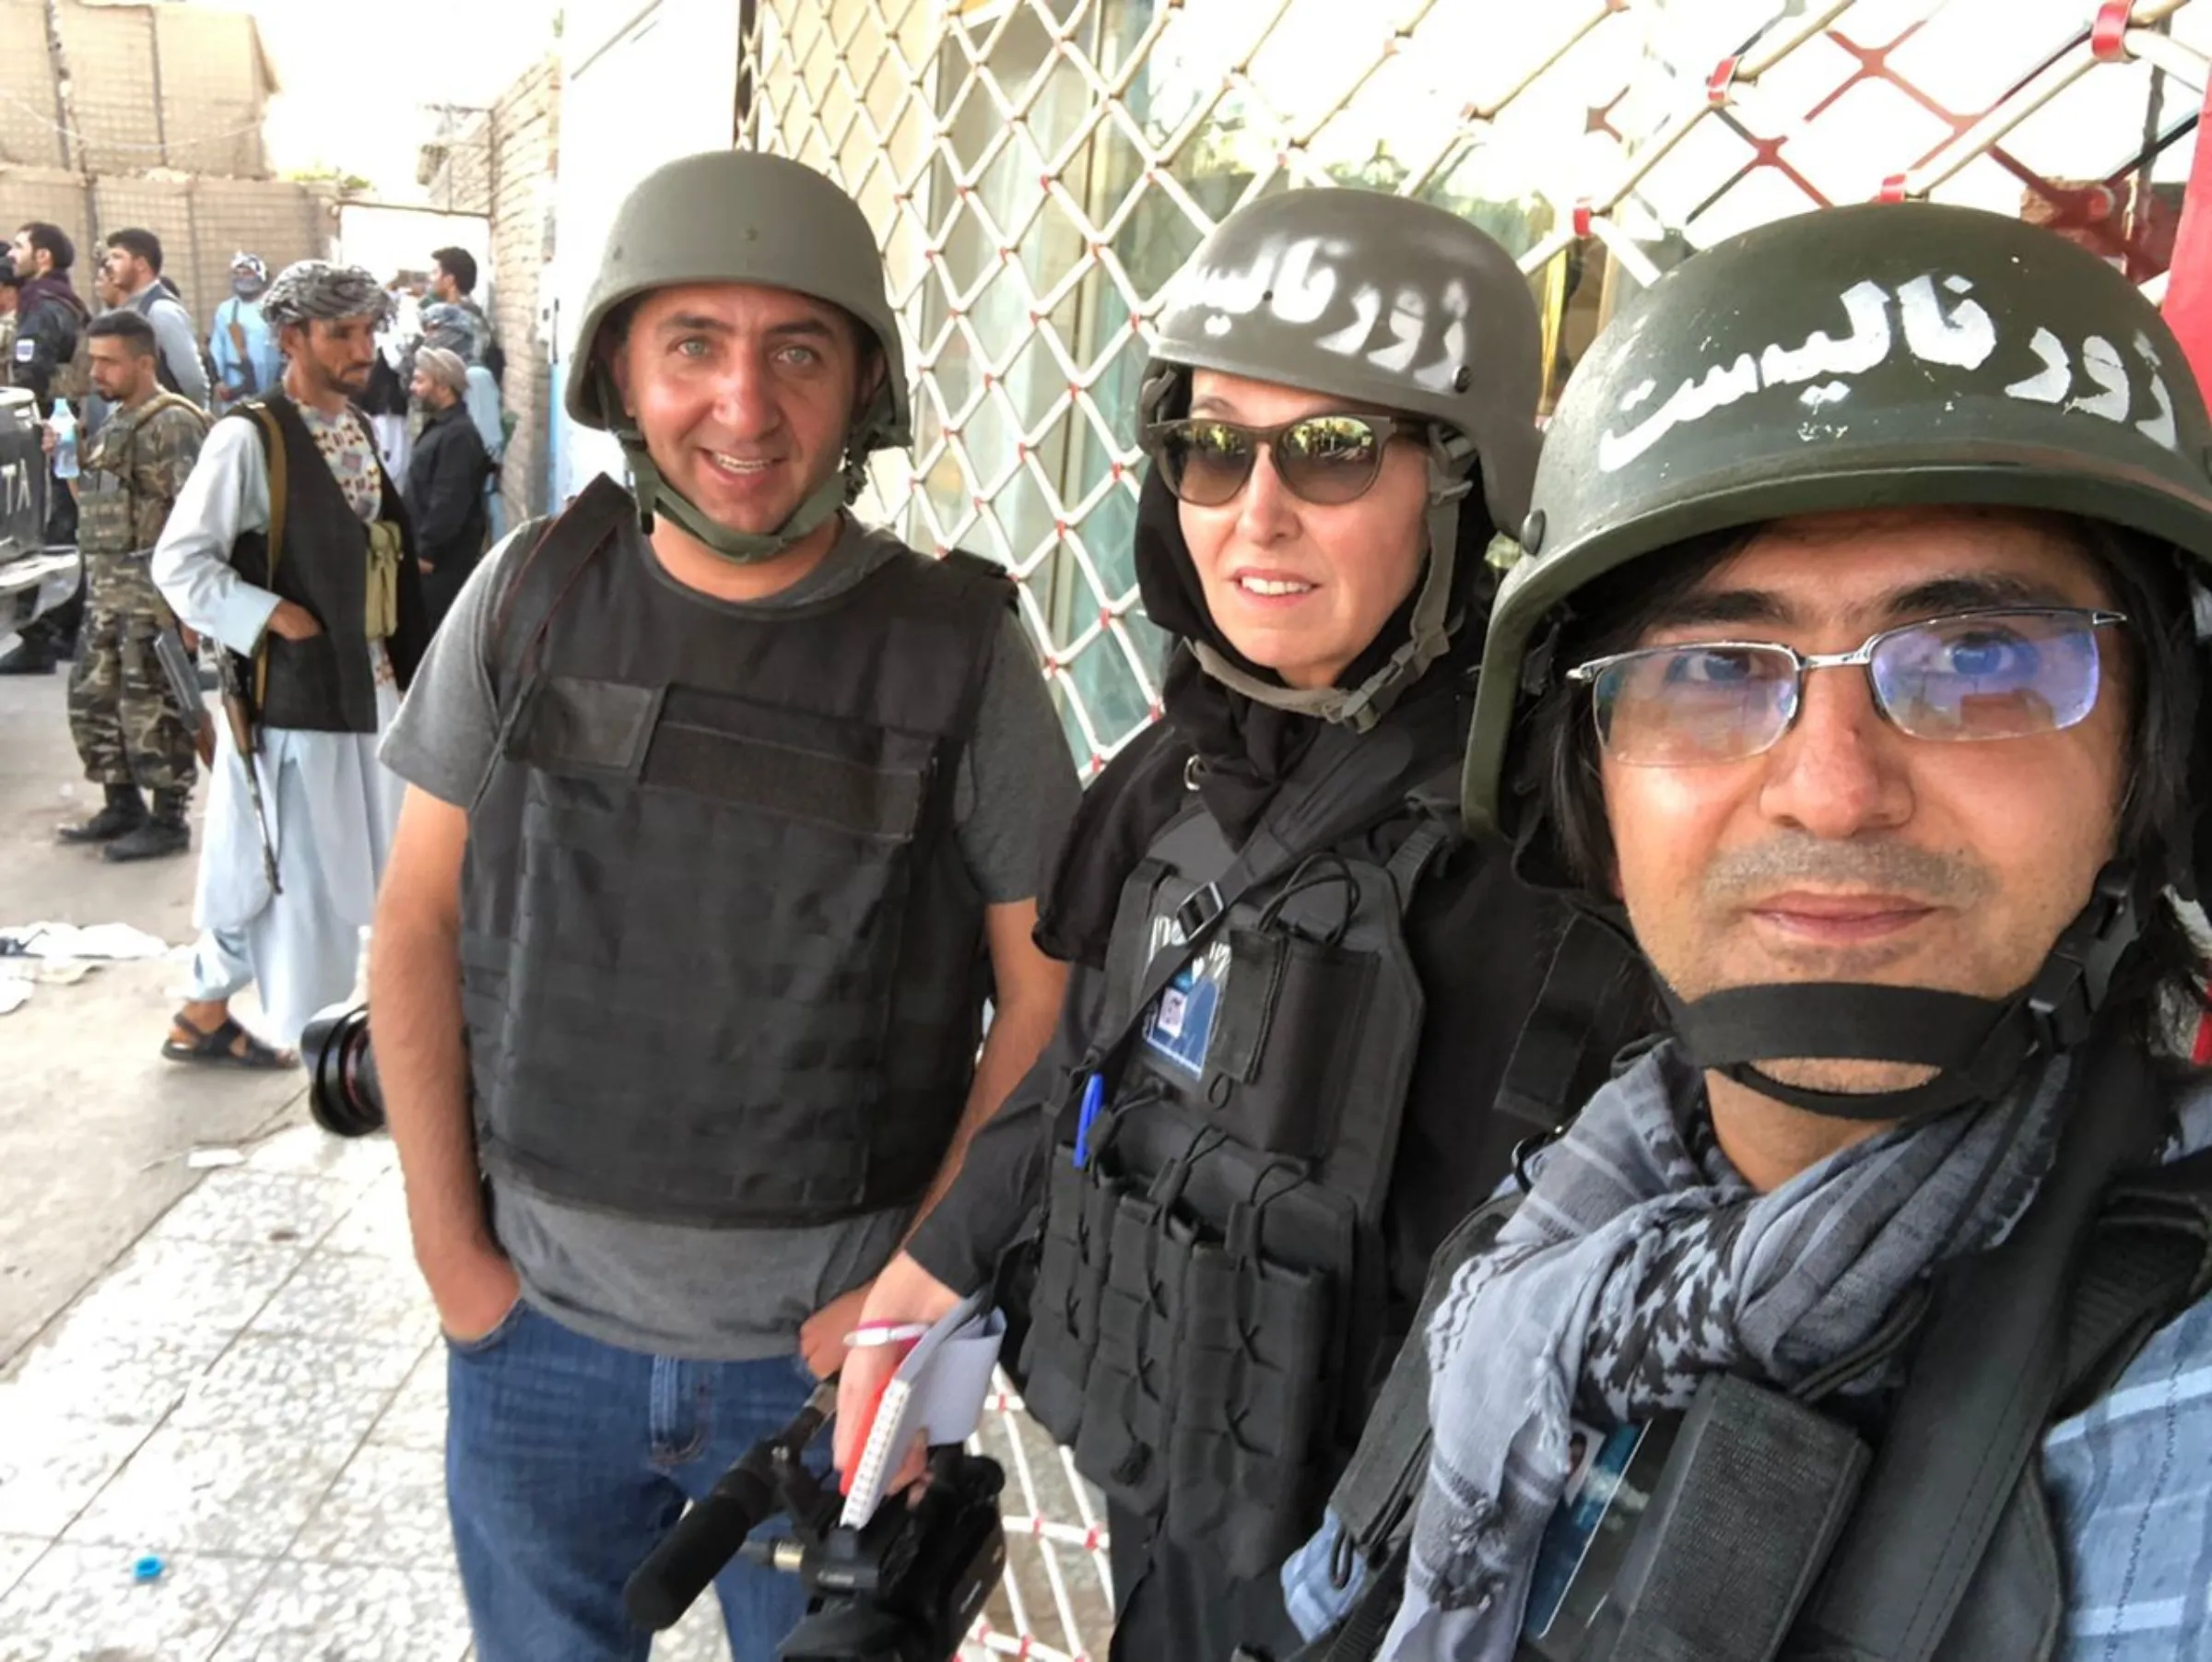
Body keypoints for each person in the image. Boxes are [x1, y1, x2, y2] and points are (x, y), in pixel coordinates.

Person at [1282, 203, 2212, 1662]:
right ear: (1586, 772)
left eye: (1979, 656)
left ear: (2152, 759)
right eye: (1715, 666)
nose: (1835, 787)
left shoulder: (2173, 1390)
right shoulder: (1545, 1243)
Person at [834, 190, 1649, 1662]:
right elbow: (1081, 1065)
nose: (1254, 512)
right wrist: (928, 1276)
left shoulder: (1584, 840)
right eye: (1215, 447)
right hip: (1176, 1524)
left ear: (1458, 485)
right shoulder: (1174, 778)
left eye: (1332, 450)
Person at [370, 149, 1079, 1662]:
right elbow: (414, 924)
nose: (744, 409)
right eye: (695, 343)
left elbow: (1046, 995)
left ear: (860, 389)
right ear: (625, 367)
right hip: (536, 1347)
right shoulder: (527, 596)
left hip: (829, 1361)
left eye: (797, 352)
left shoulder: (962, 649)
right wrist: (454, 1258)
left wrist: (910, 1298)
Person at [150, 261, 430, 1068]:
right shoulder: (250, 437)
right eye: (341, 332)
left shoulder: (355, 427)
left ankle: (207, 1009)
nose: (363, 347)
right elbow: (182, 563)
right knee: (292, 873)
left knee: (349, 862)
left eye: (369, 331)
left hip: (368, 685)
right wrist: (271, 615)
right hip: (296, 698)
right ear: (290, 337)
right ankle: (312, 1041)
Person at [56, 311, 209, 861]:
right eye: (92, 360)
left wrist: (190, 613)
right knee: (95, 705)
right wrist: (68, 463)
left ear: (145, 362)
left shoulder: (173, 423)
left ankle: (169, 820)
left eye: (108, 361)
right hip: (107, 595)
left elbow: (197, 517)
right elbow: (103, 509)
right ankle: (122, 805)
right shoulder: (119, 420)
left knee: (155, 713)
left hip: (152, 601)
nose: (96, 372)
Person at [3, 221, 89, 674]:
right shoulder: (61, 301)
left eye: (20, 245)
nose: (12, 252)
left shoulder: (42, 307)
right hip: (61, 429)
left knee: (52, 534)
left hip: (49, 435)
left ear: (43, 258)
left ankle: (53, 636)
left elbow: (28, 377)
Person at [403, 345, 488, 630]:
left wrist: (427, 553)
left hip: (441, 568)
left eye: (420, 380)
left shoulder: (458, 435)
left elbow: (449, 501)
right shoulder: (443, 428)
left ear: (442, 387)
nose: (414, 388)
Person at [98, 230, 210, 408]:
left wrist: (194, 423)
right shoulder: (125, 309)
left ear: (141, 264)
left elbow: (193, 381)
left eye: (117, 257)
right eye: (108, 259)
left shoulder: (161, 310)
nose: (108, 265)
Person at [209, 253, 281, 408]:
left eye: (247, 273)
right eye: (237, 273)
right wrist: (218, 381)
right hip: (237, 390)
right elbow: (217, 349)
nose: (242, 277)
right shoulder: (226, 310)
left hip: (271, 387)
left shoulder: (273, 307)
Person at [427, 245, 491, 366]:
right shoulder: (467, 315)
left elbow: (422, 364)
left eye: (435, 273)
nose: (430, 279)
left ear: (449, 280)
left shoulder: (459, 321)